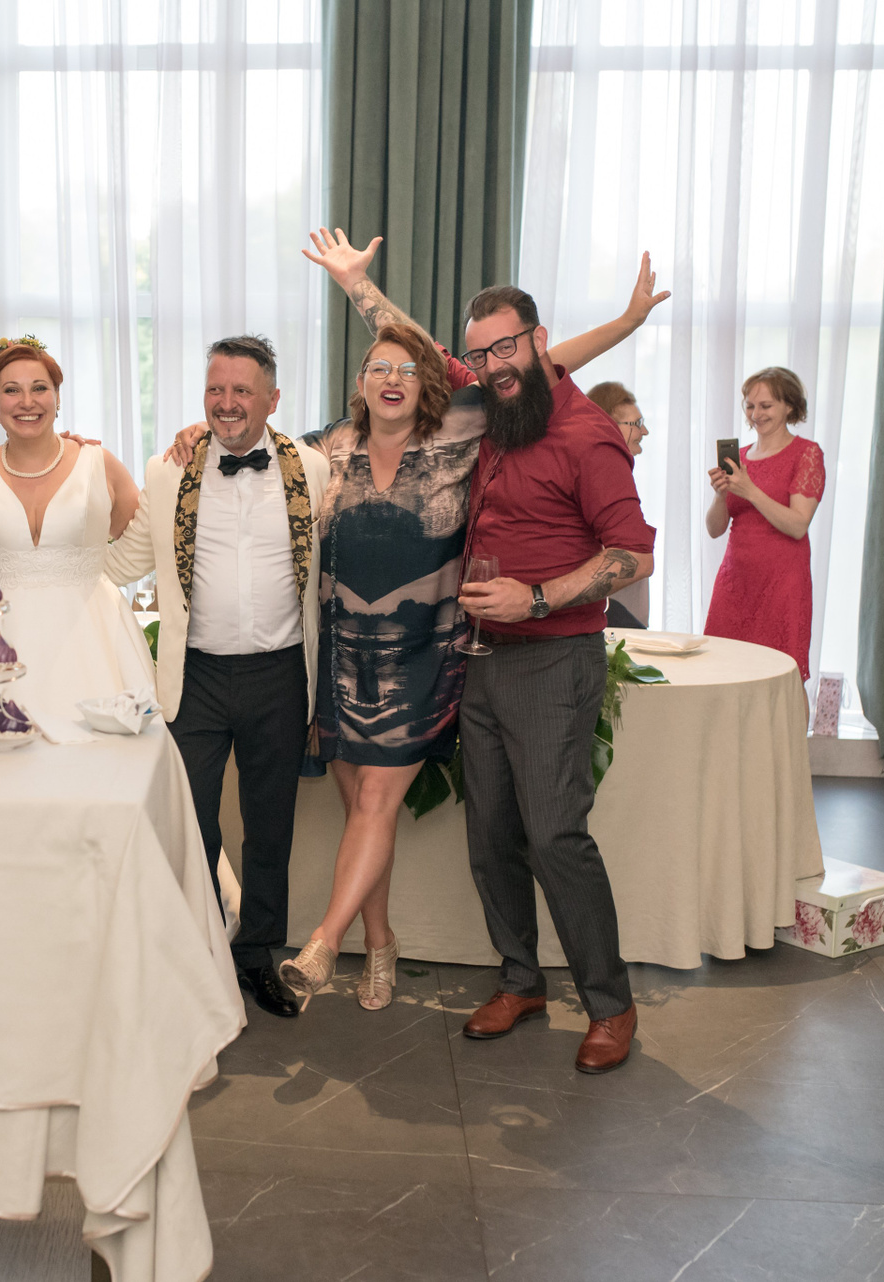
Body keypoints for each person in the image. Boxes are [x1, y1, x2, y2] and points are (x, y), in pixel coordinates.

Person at [308, 233, 657, 1073]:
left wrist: (536, 597)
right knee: (491, 835)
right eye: (480, 354)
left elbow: (633, 556)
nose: (494, 365)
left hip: (553, 656)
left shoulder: (587, 436)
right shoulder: (488, 410)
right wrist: (357, 285)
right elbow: (411, 354)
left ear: (540, 343)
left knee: (555, 835)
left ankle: (609, 1005)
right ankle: (520, 980)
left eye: (508, 348)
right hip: (477, 656)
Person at [105, 335, 329, 1019]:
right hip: (194, 676)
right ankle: (200, 949)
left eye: (241, 391)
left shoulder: (313, 468)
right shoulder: (168, 470)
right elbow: (122, 562)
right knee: (190, 820)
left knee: (270, 829)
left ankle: (255, 955)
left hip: (281, 674)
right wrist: (75, 474)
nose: (226, 403)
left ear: (272, 399)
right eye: (215, 389)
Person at [275, 324, 479, 1014]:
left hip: (424, 652)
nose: (393, 379)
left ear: (428, 384)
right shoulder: (328, 446)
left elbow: (540, 373)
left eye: (408, 369)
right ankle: (380, 941)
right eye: (379, 367)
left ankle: (323, 944)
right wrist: (194, 435)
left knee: (374, 804)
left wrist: (626, 324)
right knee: (363, 809)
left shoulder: (456, 436)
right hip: (340, 655)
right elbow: (255, 454)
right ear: (359, 382)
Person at [0, 338, 151, 735]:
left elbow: (142, 534)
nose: (27, 402)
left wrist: (100, 573)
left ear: (57, 397)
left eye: (40, 388)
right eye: (11, 390)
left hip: (93, 641)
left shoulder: (98, 463)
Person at [704, 367, 825, 680]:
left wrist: (750, 491)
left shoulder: (806, 454)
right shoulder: (740, 457)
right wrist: (720, 495)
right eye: (750, 406)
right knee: (723, 672)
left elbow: (798, 525)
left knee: (784, 676)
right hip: (736, 579)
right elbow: (714, 530)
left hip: (782, 583)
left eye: (766, 406)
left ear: (790, 407)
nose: (756, 414)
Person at [585, 381, 651, 630]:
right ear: (608, 426)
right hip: (610, 617)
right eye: (637, 423)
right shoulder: (599, 478)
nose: (645, 431)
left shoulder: (618, 475)